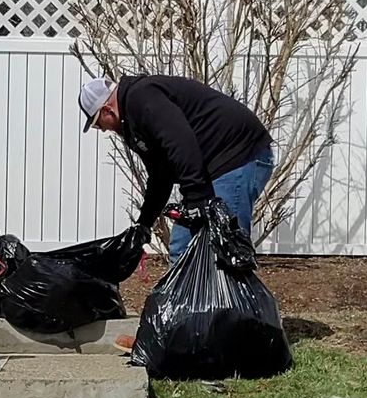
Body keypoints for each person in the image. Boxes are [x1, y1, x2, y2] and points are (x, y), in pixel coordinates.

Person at [79, 69, 275, 259]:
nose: (103, 130)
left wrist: (196, 197)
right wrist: (144, 224)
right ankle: (184, 294)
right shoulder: (132, 123)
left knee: (226, 248)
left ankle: (234, 293)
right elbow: (160, 176)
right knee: (182, 248)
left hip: (238, 155)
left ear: (106, 110)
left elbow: (180, 141)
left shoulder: (141, 98)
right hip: (213, 166)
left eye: (97, 124)